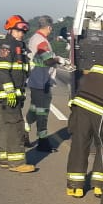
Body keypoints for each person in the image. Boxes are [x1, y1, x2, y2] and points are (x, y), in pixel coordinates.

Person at [66, 54, 103, 197]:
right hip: (101, 111)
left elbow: (85, 81)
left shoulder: (101, 61)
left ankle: (75, 187)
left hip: (81, 105)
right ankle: (98, 185)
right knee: (102, 146)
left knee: (79, 144)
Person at [0, 14, 35, 173]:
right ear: (10, 29)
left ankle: (5, 158)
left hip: (12, 93)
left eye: (23, 31)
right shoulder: (7, 46)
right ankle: (17, 163)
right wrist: (10, 91)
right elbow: (2, 70)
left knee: (6, 125)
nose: (21, 33)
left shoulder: (17, 46)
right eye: (18, 30)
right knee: (16, 125)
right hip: (8, 94)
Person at [25, 15, 72, 152]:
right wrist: (58, 59)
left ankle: (25, 126)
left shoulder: (35, 38)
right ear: (49, 27)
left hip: (36, 79)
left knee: (35, 108)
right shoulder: (42, 42)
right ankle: (43, 142)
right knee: (42, 112)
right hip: (42, 80)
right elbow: (47, 61)